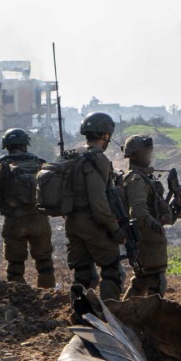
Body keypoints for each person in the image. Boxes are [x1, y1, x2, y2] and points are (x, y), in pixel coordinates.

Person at [66, 112, 128, 300]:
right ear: (106, 135)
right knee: (112, 272)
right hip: (92, 223)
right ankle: (110, 317)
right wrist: (114, 228)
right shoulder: (96, 160)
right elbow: (99, 202)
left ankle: (80, 318)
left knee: (83, 274)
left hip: (72, 222)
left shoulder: (73, 156)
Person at [0, 128, 55, 288]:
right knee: (45, 264)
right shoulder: (40, 164)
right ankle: (49, 297)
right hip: (40, 221)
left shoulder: (0, 167)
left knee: (15, 266)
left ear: (6, 145)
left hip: (15, 222)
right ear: (25, 144)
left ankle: (19, 299)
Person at [120, 135, 178, 296]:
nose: (149, 154)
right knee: (156, 281)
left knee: (141, 281)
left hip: (146, 238)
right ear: (134, 155)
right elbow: (137, 211)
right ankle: (152, 318)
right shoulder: (136, 180)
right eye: (146, 151)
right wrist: (155, 225)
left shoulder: (141, 177)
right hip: (146, 238)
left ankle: (125, 314)